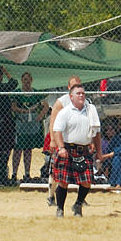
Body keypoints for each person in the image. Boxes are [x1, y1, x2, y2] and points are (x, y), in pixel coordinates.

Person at [52, 82, 104, 217]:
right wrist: (61, 148)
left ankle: (78, 204)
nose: (81, 96)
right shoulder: (65, 112)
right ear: (71, 97)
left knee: (87, 182)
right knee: (63, 182)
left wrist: (99, 151)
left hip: (84, 150)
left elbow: (96, 132)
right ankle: (60, 209)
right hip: (68, 149)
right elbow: (57, 131)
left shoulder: (91, 110)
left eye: (83, 93)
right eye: (78, 93)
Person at [46, 74, 82, 206]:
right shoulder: (62, 102)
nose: (77, 88)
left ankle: (81, 199)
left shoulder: (84, 101)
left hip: (78, 142)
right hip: (62, 141)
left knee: (81, 170)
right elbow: (53, 122)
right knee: (57, 171)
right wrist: (53, 140)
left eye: (79, 85)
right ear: (68, 87)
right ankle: (51, 196)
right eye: (74, 85)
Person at [11, 72, 48, 183]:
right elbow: (13, 107)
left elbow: (45, 105)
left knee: (28, 149)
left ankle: (27, 173)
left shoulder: (36, 93)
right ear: (22, 80)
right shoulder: (17, 93)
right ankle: (14, 173)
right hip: (21, 122)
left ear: (31, 80)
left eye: (28, 79)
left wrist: (40, 116)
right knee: (17, 149)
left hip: (32, 123)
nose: (26, 82)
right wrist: (26, 111)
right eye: (24, 79)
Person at [100, 121, 121, 187]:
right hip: (109, 160)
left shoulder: (120, 138)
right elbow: (106, 152)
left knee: (117, 158)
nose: (109, 132)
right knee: (117, 158)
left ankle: (113, 183)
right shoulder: (104, 141)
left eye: (111, 129)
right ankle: (116, 183)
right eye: (107, 130)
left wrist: (106, 156)